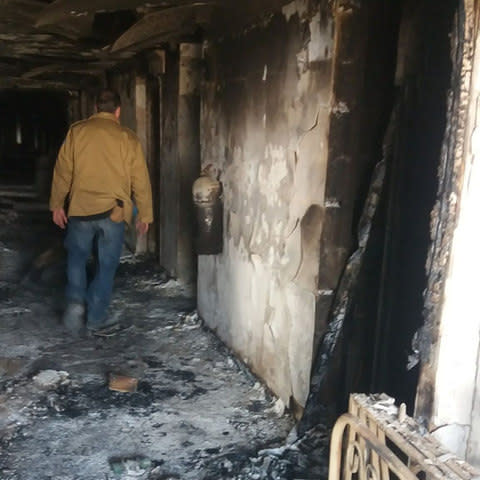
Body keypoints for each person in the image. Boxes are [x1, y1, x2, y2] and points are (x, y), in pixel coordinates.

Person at [49, 89, 153, 336]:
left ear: (95, 108)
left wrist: (56, 205)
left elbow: (63, 172)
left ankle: (75, 307)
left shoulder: (77, 132)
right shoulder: (127, 138)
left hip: (80, 209)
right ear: (118, 111)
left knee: (76, 257)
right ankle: (96, 317)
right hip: (113, 212)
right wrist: (145, 214)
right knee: (106, 266)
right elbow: (141, 180)